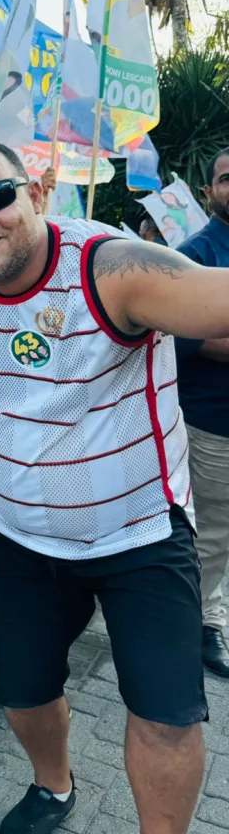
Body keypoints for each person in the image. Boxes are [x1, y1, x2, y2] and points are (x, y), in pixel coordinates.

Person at [0, 137, 229, 834]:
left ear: (37, 193)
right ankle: (54, 788)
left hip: (141, 536)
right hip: (25, 542)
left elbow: (215, 303)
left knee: (165, 714)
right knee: (26, 696)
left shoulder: (110, 267)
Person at [176, 149, 229, 677]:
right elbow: (187, 335)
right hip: (213, 423)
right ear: (209, 190)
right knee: (212, 531)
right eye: (227, 179)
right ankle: (196, 624)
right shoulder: (197, 253)